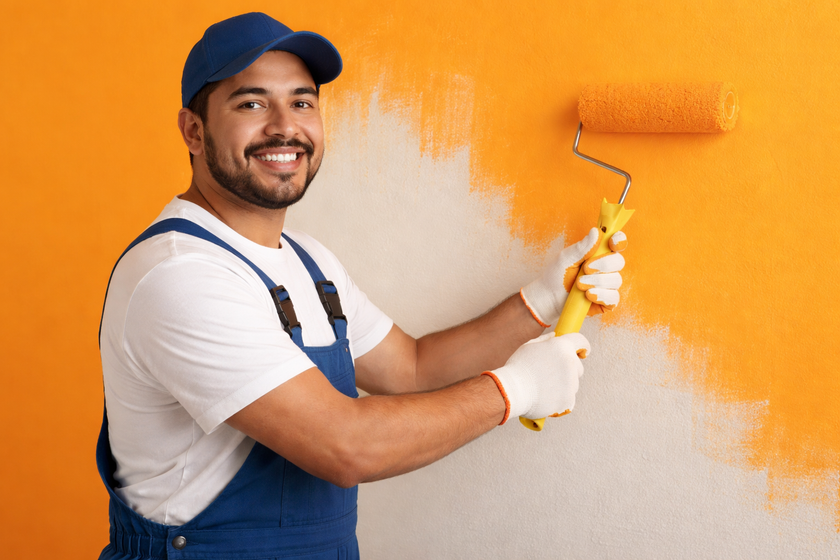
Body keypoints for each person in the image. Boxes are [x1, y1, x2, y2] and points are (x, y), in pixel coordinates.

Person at [96, 12, 628, 560]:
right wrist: (516, 389)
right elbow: (345, 446)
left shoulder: (309, 261)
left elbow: (413, 370)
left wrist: (540, 301)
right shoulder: (180, 274)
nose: (285, 126)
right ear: (193, 129)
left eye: (302, 101)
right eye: (251, 103)